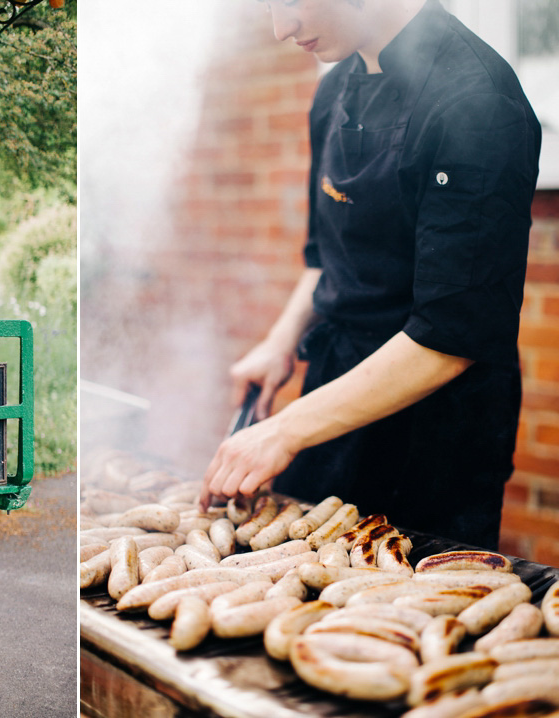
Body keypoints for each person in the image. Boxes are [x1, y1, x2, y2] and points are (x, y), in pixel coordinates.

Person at [200, 0, 541, 551]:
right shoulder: (335, 90)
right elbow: (324, 258)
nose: (279, 28)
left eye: (288, 2)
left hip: (434, 435)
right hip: (330, 395)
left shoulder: (478, 101)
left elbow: (450, 337)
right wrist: (280, 341)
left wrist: (286, 429)